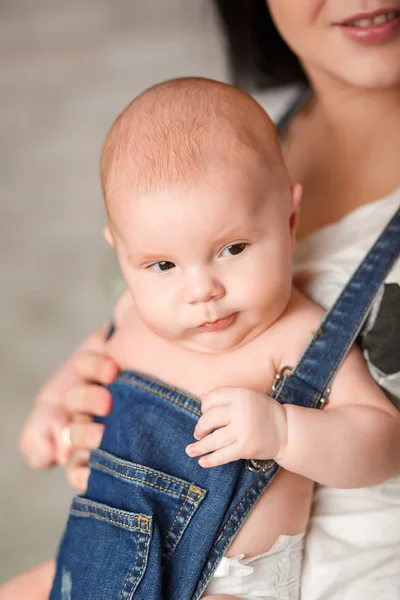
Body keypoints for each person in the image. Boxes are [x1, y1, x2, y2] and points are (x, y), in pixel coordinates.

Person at [7, 1, 400, 598]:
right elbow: (90, 363)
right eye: (162, 264)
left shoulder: (298, 332)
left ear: (289, 217)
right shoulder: (134, 314)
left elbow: (380, 442)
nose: (202, 290)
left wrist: (287, 432)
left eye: (233, 249)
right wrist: (56, 411)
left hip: (235, 586)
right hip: (98, 562)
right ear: (122, 253)